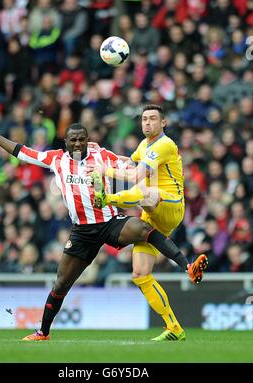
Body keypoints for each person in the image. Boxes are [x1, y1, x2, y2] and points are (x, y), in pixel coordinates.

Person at [0, 119, 207, 342]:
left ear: (88, 140)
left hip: (109, 222)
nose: (77, 144)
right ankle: (43, 332)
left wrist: (160, 168)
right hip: (82, 232)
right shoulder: (56, 159)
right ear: (65, 142)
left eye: (82, 140)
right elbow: (22, 152)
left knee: (143, 228)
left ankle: (188, 265)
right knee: (61, 284)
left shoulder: (102, 156)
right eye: (73, 140)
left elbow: (132, 166)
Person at [89, 104, 208, 341]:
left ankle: (107, 199)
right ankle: (174, 327)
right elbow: (128, 162)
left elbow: (134, 175)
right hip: (152, 214)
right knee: (140, 273)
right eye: (144, 119)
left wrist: (106, 171)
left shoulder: (165, 145)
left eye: (153, 119)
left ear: (163, 123)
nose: (147, 123)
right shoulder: (144, 146)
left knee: (144, 189)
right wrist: (102, 153)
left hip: (170, 205)